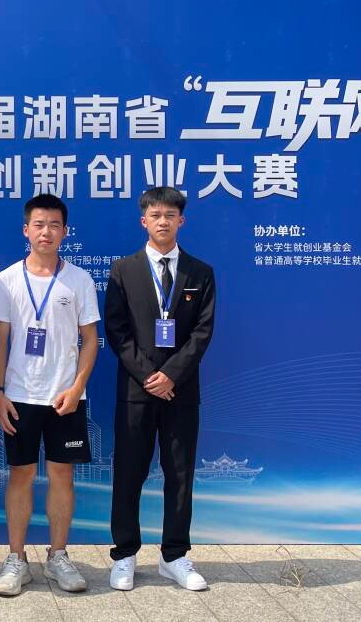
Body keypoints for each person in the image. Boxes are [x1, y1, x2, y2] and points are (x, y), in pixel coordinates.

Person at [103, 186, 216, 592]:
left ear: (181, 220)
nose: (163, 221)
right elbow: (117, 331)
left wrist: (171, 376)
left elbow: (202, 332)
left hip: (180, 392)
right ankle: (124, 554)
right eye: (156, 215)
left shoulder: (200, 273)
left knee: (180, 474)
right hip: (136, 392)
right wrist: (150, 376)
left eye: (170, 215)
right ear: (144, 221)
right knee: (128, 473)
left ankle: (175, 555)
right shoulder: (123, 270)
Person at [0, 194, 100, 597]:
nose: (46, 232)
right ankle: (16, 559)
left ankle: (58, 557)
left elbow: (90, 340)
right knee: (20, 474)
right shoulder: (6, 280)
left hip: (64, 397)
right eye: (39, 224)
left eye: (54, 225)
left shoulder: (80, 280)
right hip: (19, 395)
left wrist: (77, 387)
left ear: (65, 231)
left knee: (61, 475)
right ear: (26, 230)